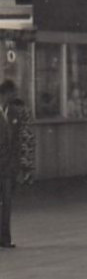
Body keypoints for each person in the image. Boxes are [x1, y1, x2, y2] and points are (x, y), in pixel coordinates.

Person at [0, 80, 33, 248]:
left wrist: (17, 166)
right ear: (6, 93)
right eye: (13, 93)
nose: (15, 96)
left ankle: (5, 238)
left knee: (7, 202)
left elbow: (18, 141)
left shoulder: (14, 113)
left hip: (8, 167)